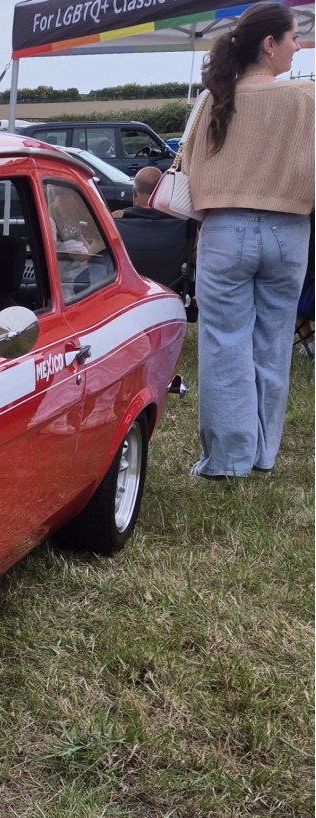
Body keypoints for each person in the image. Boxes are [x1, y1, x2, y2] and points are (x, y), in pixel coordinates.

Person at [184, 1, 314, 480]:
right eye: (294, 37)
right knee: (273, 343)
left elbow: (192, 170)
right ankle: (262, 454)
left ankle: (228, 460)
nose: (298, 45)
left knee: (224, 344)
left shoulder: (215, 98)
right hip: (289, 232)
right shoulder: (306, 99)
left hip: (224, 230)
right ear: (269, 44)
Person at [113, 166, 196, 294]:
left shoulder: (114, 224)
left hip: (126, 300)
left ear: (134, 192)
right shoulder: (184, 227)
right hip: (169, 299)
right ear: (163, 192)